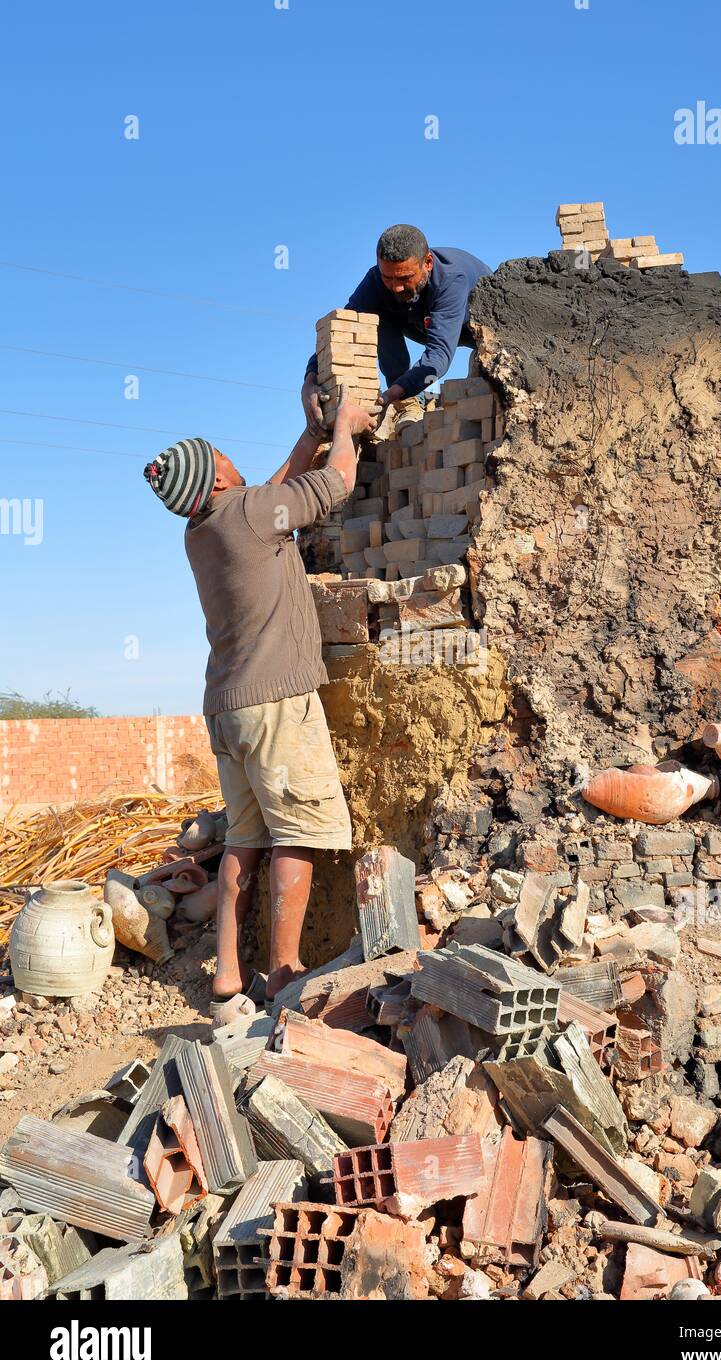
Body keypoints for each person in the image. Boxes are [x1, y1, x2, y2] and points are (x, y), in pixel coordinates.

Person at [143, 393, 375, 1001]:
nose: (231, 455)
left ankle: (226, 975)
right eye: (221, 453)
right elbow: (336, 483)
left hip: (226, 708)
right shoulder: (248, 514)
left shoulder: (205, 531)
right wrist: (345, 429)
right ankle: (284, 973)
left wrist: (307, 435)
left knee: (246, 839)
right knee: (295, 830)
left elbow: (272, 498)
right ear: (218, 475)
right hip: (275, 703)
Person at [302, 224, 491, 439]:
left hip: (482, 326)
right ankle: (409, 403)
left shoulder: (451, 280)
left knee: (486, 376)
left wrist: (387, 398)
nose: (396, 287)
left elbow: (439, 355)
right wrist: (309, 381)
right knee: (371, 314)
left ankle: (407, 394)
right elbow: (342, 329)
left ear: (427, 263)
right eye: (388, 277)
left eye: (404, 278)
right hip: (422, 322)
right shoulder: (376, 281)